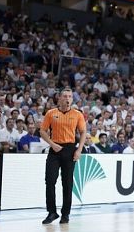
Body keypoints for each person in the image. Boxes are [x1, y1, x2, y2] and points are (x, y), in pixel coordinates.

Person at [39, 88, 87, 225]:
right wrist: (51, 144)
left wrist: (79, 150)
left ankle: (65, 214)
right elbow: (42, 130)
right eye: (65, 96)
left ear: (72, 99)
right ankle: (52, 212)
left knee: (67, 184)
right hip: (54, 149)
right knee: (50, 181)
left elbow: (83, 132)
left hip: (70, 149)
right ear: (59, 98)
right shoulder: (51, 113)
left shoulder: (77, 114)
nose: (67, 98)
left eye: (70, 96)